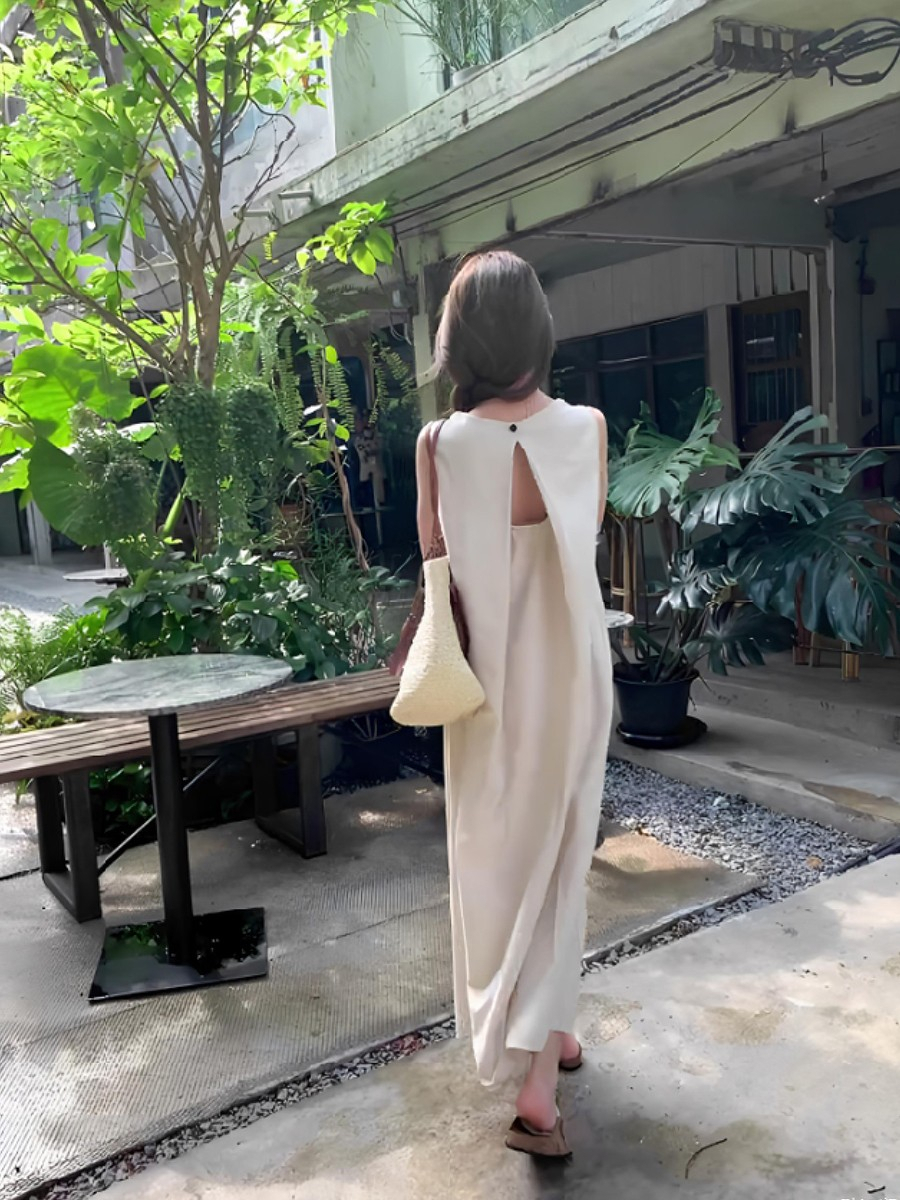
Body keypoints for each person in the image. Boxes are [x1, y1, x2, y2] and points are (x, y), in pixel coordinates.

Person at [414, 250, 613, 1158]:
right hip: (572, 676)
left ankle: (540, 1051)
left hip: (485, 688)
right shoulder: (587, 429)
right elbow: (583, 535)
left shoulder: (438, 445)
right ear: (537, 330)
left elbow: (436, 559)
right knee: (562, 856)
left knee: (499, 859)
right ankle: (546, 1059)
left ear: (458, 342)